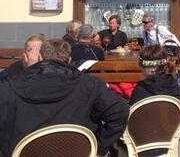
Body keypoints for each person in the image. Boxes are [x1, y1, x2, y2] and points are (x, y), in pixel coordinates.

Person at [0, 39, 129, 157]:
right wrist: (98, 145)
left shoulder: (12, 86)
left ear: (40, 57)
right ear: (69, 60)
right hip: (78, 151)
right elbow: (120, 110)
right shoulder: (89, 84)